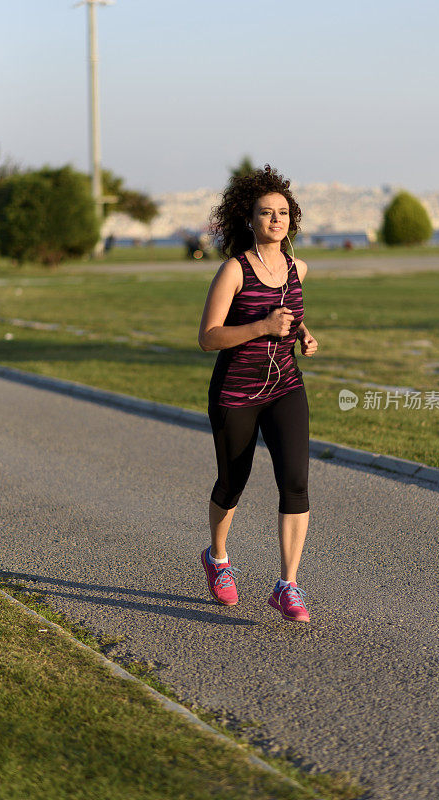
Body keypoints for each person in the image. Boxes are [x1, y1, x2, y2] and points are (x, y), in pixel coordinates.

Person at [198, 165, 319, 622]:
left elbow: (288, 311)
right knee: (232, 484)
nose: (275, 220)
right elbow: (209, 337)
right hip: (236, 392)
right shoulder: (234, 269)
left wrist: (303, 333)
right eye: (266, 213)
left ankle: (287, 584)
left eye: (283, 212)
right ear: (248, 219)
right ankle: (218, 558)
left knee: (295, 481)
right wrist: (263, 328)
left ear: (293, 218)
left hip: (285, 385)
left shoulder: (297, 267)